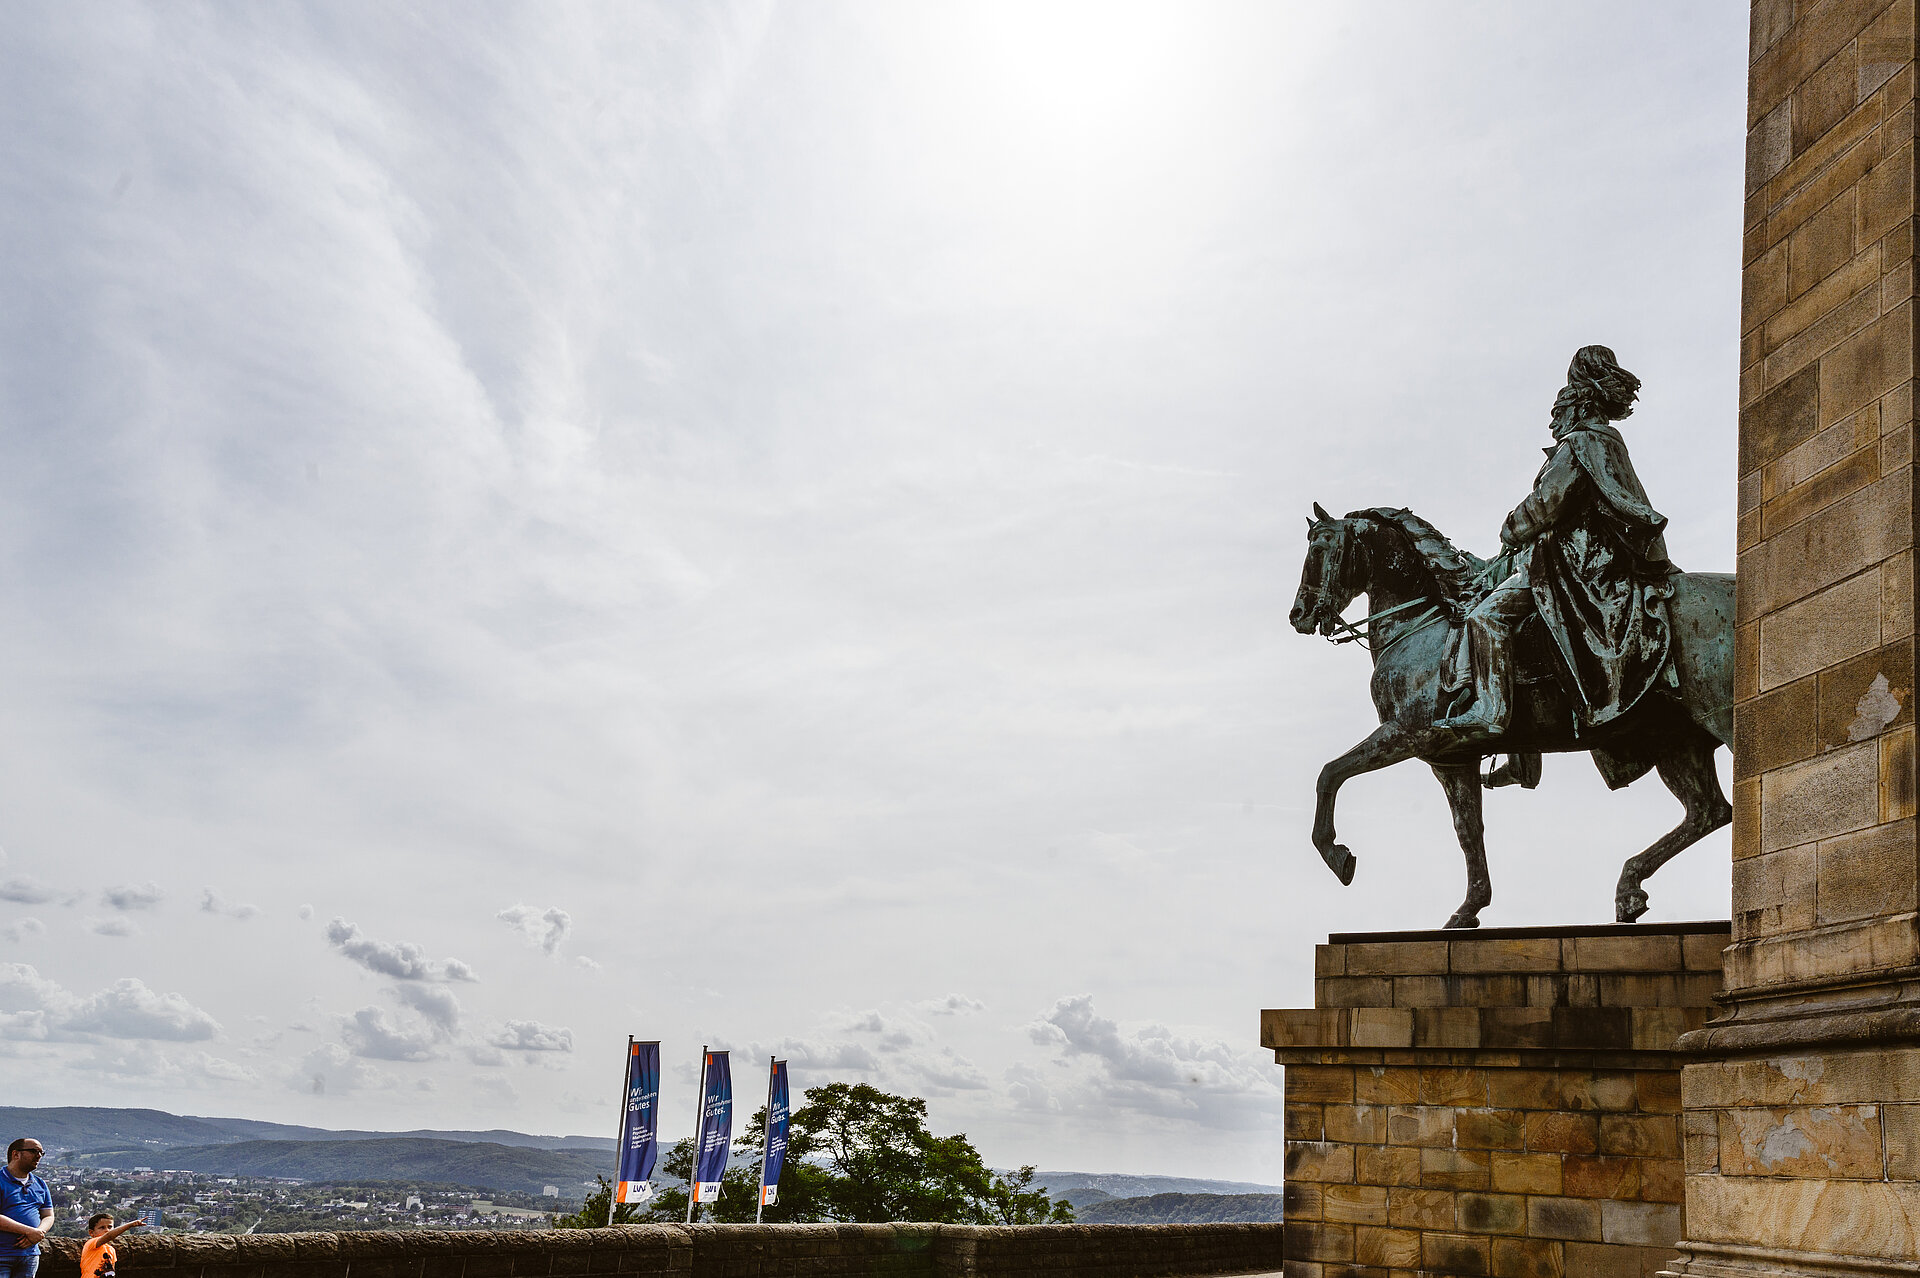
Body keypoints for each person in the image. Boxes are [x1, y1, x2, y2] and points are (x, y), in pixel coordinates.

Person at [1437, 345, 1677, 744]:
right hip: (1599, 559)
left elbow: (1547, 503)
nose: (1555, 427)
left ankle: (1490, 712)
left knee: (1485, 618)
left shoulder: (1580, 444)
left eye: (1558, 415)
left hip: (1572, 566)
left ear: (1578, 408)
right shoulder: (1607, 441)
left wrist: (1510, 528)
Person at [0, 1138, 53, 1278]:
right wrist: (29, 1231)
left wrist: (37, 1234)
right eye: (34, 1151)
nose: (39, 1156)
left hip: (30, 1255)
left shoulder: (40, 1184)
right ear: (15, 1154)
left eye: (42, 1152)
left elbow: (48, 1215)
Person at [79, 1212, 143, 1278]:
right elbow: (109, 1236)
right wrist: (130, 1225)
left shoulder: (111, 1250)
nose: (107, 1230)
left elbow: (112, 1271)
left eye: (110, 1227)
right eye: (102, 1228)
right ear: (91, 1233)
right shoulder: (91, 1243)